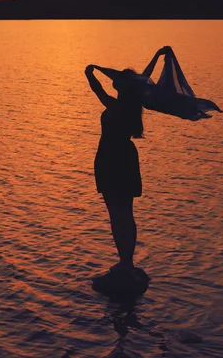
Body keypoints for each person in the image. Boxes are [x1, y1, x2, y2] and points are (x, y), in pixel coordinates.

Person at [85, 47, 170, 276]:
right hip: (127, 157)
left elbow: (99, 91)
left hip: (111, 157)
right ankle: (128, 261)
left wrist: (90, 74)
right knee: (127, 213)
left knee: (116, 213)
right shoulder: (134, 104)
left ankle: (124, 261)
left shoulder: (117, 106)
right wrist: (157, 55)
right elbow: (143, 78)